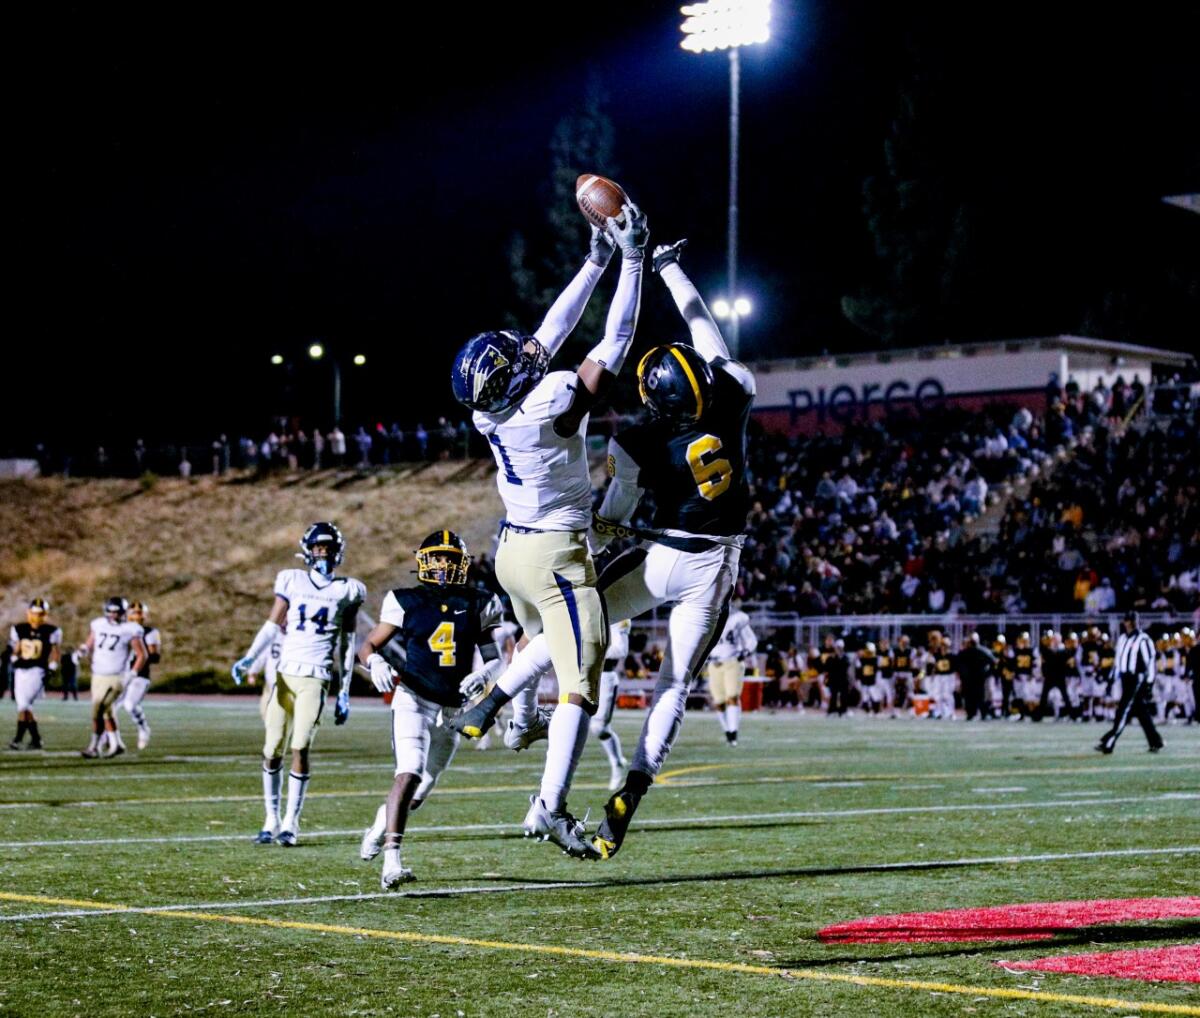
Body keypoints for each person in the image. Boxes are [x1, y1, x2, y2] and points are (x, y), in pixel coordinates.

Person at [453, 236, 758, 862]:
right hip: (709, 564)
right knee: (671, 685)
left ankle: (500, 694)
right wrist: (664, 266)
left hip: (640, 557)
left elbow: (616, 514)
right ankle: (633, 787)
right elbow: (704, 333)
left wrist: (621, 260)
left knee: (564, 633)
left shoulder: (618, 438)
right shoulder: (733, 389)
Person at [446, 203, 647, 858]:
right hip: (557, 555)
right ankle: (550, 808)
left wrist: (595, 259)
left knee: (544, 644)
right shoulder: (554, 400)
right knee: (582, 684)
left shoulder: (490, 413)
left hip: (512, 554)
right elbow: (612, 343)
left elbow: (545, 336)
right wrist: (634, 258)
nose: (524, 347)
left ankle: (503, 713)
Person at [356, 531, 504, 887]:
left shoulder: (480, 601)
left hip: (453, 707)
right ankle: (392, 861)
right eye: (436, 558)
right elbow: (369, 645)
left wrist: (484, 673)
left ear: (461, 564)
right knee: (409, 771)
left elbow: (496, 659)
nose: (442, 565)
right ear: (423, 561)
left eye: (449, 558)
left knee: (420, 791)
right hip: (414, 696)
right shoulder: (405, 600)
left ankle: (380, 824)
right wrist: (373, 663)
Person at [231, 522, 364, 846]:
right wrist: (250, 658)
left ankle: (291, 822)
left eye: (328, 548)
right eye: (318, 548)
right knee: (271, 749)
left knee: (300, 746)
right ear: (307, 551)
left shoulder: (348, 590)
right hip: (285, 674)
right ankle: (270, 818)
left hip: (316, 677)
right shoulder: (291, 580)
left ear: (338, 552)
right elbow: (270, 625)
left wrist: (344, 690)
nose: (324, 554)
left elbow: (347, 644)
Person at [74, 597, 147, 758]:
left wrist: (132, 674)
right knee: (106, 711)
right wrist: (81, 652)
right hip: (98, 674)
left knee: (99, 707)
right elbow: (89, 643)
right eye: (111, 612)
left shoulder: (131, 629)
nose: (114, 615)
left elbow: (142, 655)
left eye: (117, 612)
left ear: (123, 613)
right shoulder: (98, 624)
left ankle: (94, 746)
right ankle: (116, 744)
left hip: (118, 675)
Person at [1096, 611, 1162, 754]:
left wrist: (1149, 684)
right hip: (1125, 679)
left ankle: (1109, 742)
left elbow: (1150, 663)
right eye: (1128, 620)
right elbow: (1118, 662)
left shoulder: (1144, 639)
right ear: (1125, 622)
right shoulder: (1122, 639)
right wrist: (1111, 679)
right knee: (1141, 712)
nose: (1130, 623)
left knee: (1123, 710)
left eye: (1132, 620)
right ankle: (1156, 741)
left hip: (1137, 679)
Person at [8, 598, 61, 750]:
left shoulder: (51, 631)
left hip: (37, 671)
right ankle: (36, 739)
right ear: (28, 613)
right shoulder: (20, 629)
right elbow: (17, 648)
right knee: (24, 707)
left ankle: (18, 739)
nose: (36, 617)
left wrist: (53, 664)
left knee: (25, 705)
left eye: (40, 614)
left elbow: (55, 650)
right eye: (34, 613)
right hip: (20, 670)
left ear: (45, 615)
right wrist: (13, 655)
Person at [706, 606, 758, 744]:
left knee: (732, 697)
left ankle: (733, 733)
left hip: (732, 662)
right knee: (719, 703)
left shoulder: (737, 618)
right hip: (714, 664)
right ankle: (727, 731)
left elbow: (751, 640)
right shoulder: (707, 616)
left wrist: (744, 653)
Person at [592, 619, 632, 791]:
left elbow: (620, 650)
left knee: (599, 728)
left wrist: (589, 651)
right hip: (579, 674)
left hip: (604, 676)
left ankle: (617, 763)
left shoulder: (618, 614)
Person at [115, 602, 161, 749]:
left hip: (139, 675)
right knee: (110, 707)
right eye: (133, 612)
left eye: (139, 613)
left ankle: (143, 728)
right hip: (120, 674)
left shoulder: (150, 632)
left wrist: (141, 652)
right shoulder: (120, 630)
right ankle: (107, 738)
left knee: (129, 705)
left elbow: (155, 657)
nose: (136, 616)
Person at [957, 632, 996, 721]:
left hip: (975, 678)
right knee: (975, 697)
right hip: (975, 678)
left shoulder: (968, 652)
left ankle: (976, 713)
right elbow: (993, 662)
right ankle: (977, 713)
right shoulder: (969, 652)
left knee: (975, 697)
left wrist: (987, 673)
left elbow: (993, 662)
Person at [824, 639, 853, 716]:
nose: (838, 649)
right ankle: (832, 711)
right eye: (837, 647)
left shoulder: (846, 657)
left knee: (844, 696)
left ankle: (843, 711)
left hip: (843, 679)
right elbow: (827, 668)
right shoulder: (831, 658)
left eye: (839, 648)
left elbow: (846, 667)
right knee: (833, 695)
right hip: (834, 679)